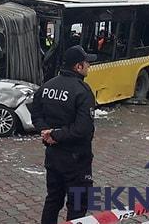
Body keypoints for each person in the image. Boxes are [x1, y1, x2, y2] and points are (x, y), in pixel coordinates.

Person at [30, 45, 96, 224]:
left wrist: (46, 132)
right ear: (78, 67)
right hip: (76, 160)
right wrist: (55, 134)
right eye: (87, 63)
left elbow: (35, 112)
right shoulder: (82, 91)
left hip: (53, 155)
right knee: (77, 205)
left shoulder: (47, 86)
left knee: (53, 200)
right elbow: (83, 129)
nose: (89, 66)